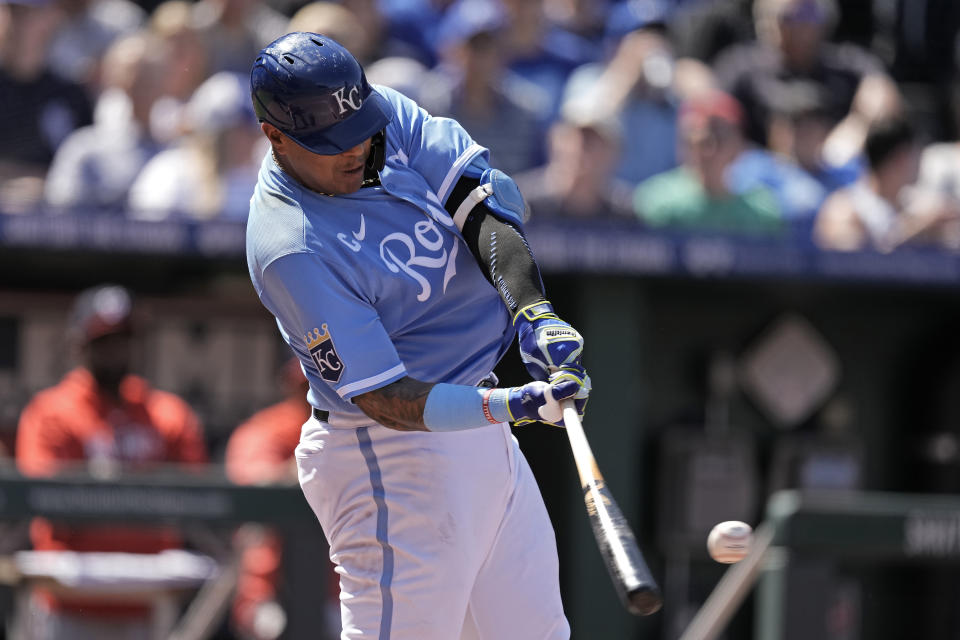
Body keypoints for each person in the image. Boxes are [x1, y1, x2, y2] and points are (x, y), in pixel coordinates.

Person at [247, 32, 591, 639]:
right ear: (276, 135)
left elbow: (484, 210)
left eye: (360, 128)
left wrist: (533, 312)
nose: (355, 148)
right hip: (388, 452)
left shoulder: (383, 116)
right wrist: (512, 404)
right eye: (331, 142)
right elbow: (385, 398)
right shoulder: (289, 245)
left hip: (480, 432)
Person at [14, 284, 209, 639]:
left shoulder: (167, 413)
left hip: (149, 601)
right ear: (80, 344)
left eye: (123, 340)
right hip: (68, 599)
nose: (115, 352)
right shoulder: (50, 413)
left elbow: (197, 502)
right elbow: (48, 503)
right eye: (103, 341)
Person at [633, 89, 785, 237]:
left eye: (720, 138)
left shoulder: (761, 213)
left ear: (739, 145)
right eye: (701, 141)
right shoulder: (656, 203)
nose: (710, 151)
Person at [813, 116, 960, 252]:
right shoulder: (843, 210)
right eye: (915, 153)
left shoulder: (917, 205)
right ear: (899, 158)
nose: (919, 161)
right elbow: (854, 265)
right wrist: (916, 229)